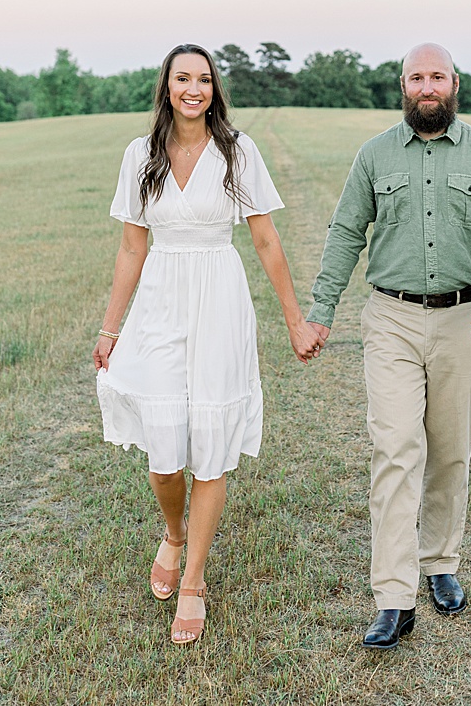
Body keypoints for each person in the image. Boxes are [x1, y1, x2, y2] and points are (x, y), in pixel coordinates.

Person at [303, 43, 471, 649]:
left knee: (450, 451)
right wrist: (321, 311)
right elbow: (346, 231)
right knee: (396, 449)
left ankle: (440, 563)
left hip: (464, 320)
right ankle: (394, 596)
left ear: (455, 84)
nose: (426, 87)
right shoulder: (374, 155)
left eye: (437, 76)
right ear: (401, 87)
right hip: (392, 319)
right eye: (415, 78)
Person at [94, 44, 323, 646]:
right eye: (182, 78)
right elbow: (130, 249)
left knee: (212, 445)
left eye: (203, 78)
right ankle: (173, 533)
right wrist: (110, 329)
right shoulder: (139, 155)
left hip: (220, 298)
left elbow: (267, 242)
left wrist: (296, 322)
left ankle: (193, 579)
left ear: (215, 88)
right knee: (166, 455)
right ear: (166, 88)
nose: (193, 88)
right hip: (161, 304)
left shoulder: (238, 152)